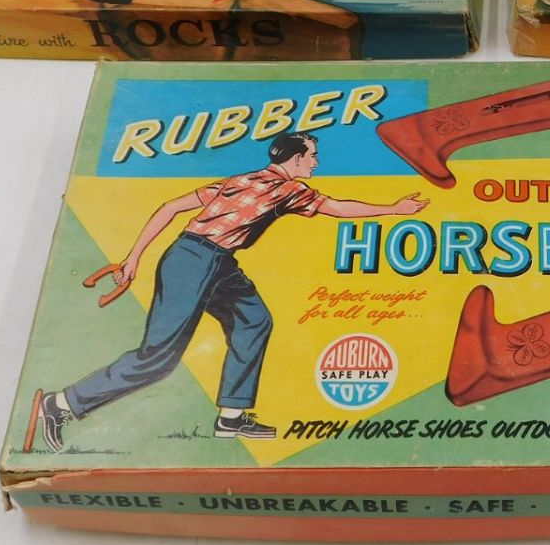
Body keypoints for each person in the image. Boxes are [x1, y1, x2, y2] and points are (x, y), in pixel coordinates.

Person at [27, 132, 428, 451]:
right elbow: (337, 208)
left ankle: (231, 417)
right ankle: (61, 403)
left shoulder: (240, 180)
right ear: (294, 159)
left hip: (215, 262)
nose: (316, 163)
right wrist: (394, 209)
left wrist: (136, 256)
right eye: (312, 156)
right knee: (158, 358)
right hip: (194, 261)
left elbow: (170, 207)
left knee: (254, 320)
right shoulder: (285, 189)